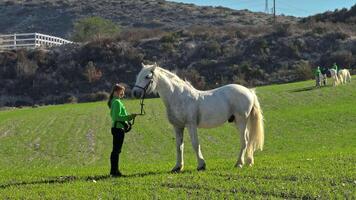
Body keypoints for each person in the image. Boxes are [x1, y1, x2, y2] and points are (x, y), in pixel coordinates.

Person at [107, 83, 137, 177]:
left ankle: (114, 171)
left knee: (116, 151)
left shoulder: (115, 101)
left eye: (123, 92)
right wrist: (129, 117)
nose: (123, 94)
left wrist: (129, 118)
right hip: (118, 128)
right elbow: (116, 117)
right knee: (116, 151)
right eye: (121, 92)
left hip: (117, 128)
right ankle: (115, 172)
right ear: (116, 92)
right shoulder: (116, 102)